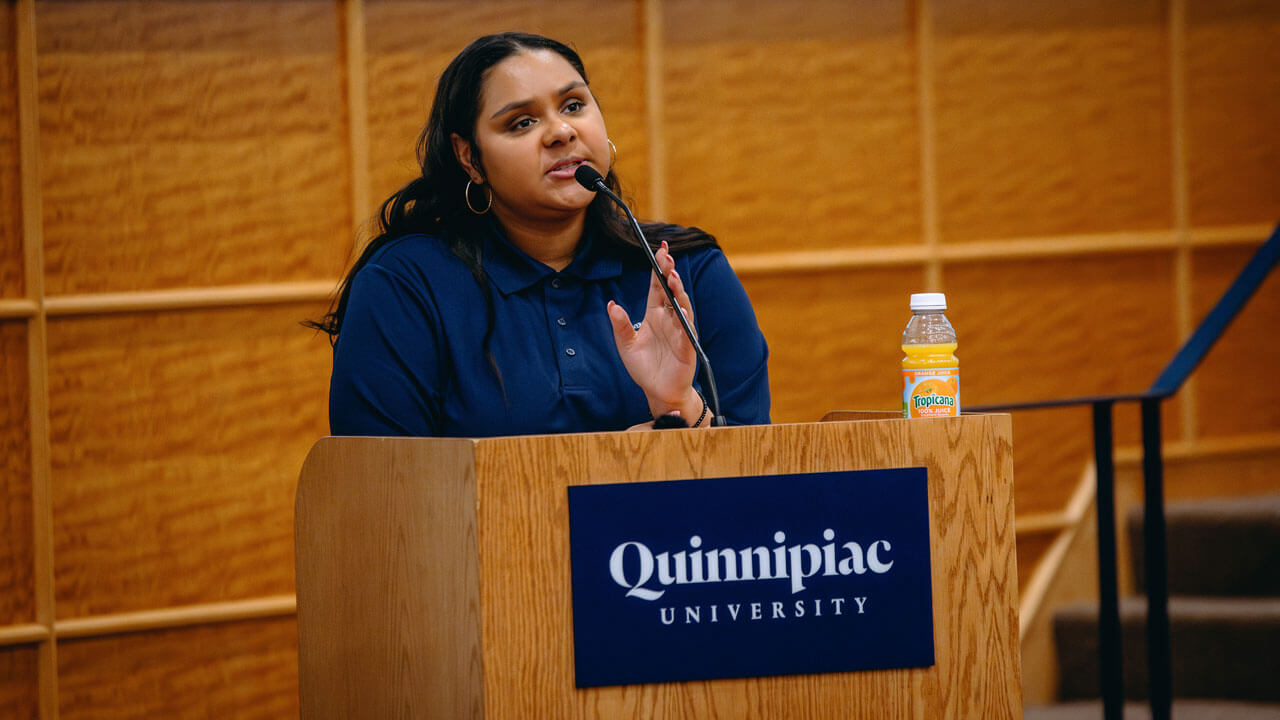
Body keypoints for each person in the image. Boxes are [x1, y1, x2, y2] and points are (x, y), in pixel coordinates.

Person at [310, 32, 769, 437]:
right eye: (521, 123)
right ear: (470, 158)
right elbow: (382, 494)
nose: (561, 132)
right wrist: (612, 471)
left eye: (573, 106)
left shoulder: (686, 268)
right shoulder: (406, 285)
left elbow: (761, 474)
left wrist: (676, 408)